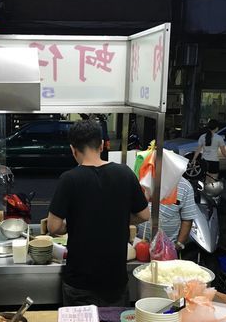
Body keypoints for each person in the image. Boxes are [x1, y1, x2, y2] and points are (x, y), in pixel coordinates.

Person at [47, 120, 150, 307]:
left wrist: (74, 223)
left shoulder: (69, 179)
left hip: (79, 282)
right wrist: (117, 217)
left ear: (73, 149)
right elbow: (144, 215)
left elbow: (53, 227)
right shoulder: (125, 174)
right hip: (115, 281)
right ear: (102, 145)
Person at [137, 177, 198, 251]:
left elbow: (187, 220)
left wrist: (178, 245)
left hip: (167, 248)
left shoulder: (185, 186)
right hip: (138, 243)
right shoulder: (144, 178)